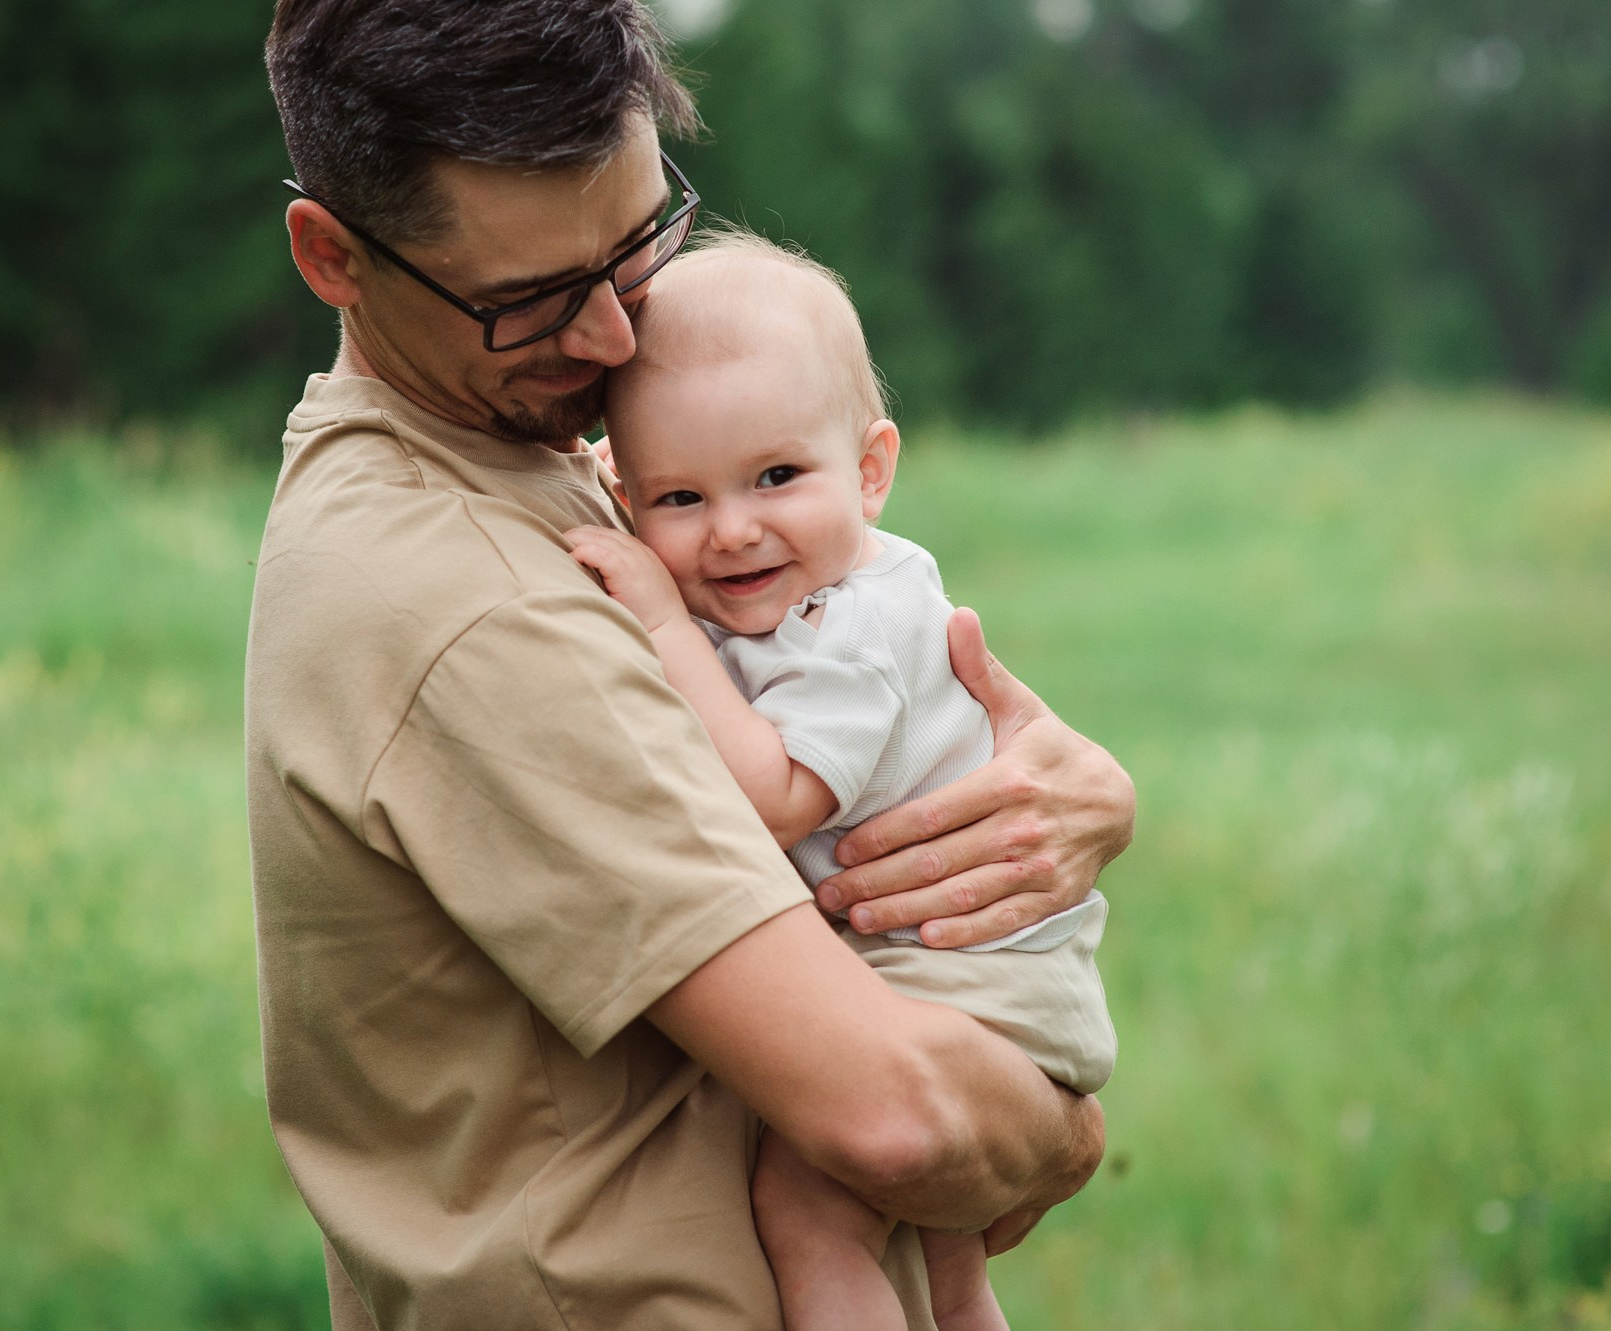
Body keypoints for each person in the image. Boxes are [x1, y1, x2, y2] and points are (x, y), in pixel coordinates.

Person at [249, 3, 1135, 1327]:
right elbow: (896, 1115)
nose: (614, 339)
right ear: (335, 257)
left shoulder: (536, 456)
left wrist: (1071, 793)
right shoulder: (469, 598)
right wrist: (1060, 1131)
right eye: (535, 300)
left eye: (639, 243)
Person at [565, 234, 1116, 1331]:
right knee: (945, 1270)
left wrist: (662, 619)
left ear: (870, 468)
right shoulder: (790, 588)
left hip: (971, 977)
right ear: (622, 492)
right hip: (959, 964)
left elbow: (772, 796)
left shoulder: (851, 626)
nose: (731, 529)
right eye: (679, 496)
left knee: (807, 1213)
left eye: (776, 476)